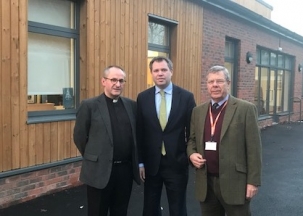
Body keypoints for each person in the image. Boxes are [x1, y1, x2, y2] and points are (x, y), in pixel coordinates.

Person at [187, 65, 262, 216]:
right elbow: (192, 140)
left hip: (235, 183)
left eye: (219, 81)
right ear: (207, 85)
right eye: (211, 82)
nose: (215, 85)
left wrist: (253, 181)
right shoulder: (198, 111)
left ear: (228, 83)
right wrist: (191, 154)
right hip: (206, 182)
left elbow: (254, 148)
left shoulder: (245, 109)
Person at [73, 65, 141, 216]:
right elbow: (79, 137)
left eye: (121, 81)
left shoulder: (131, 106)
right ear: (103, 81)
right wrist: (93, 156)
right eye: (114, 80)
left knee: (120, 211)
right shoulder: (89, 106)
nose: (118, 84)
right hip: (99, 170)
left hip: (125, 171)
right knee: (97, 212)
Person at [137, 56, 196, 216]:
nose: (160, 73)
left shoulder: (186, 97)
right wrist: (140, 162)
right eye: (156, 70)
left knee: (177, 209)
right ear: (151, 73)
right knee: (150, 208)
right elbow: (140, 133)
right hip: (151, 164)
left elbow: (193, 132)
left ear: (171, 71)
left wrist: (188, 156)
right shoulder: (143, 98)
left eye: (164, 70)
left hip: (176, 163)